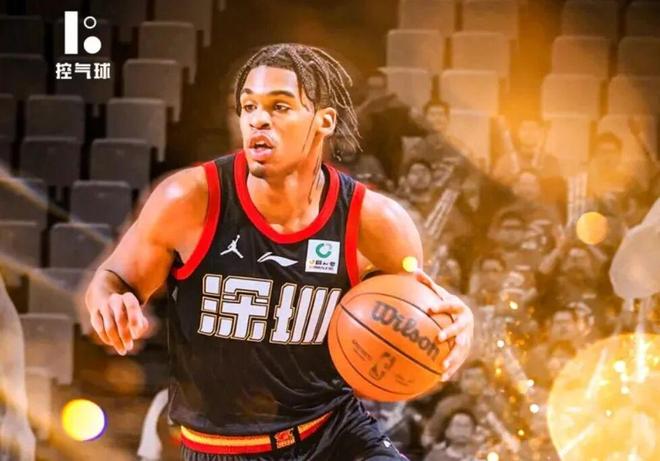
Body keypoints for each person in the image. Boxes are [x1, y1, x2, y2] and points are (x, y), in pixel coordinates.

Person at [84, 43, 474, 461]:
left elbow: (421, 314)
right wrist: (110, 302)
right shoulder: (189, 199)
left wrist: (457, 325)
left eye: (280, 106)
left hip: (333, 433)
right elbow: (112, 280)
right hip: (221, 448)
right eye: (248, 106)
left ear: (324, 121)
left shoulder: (375, 221)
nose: (258, 119)